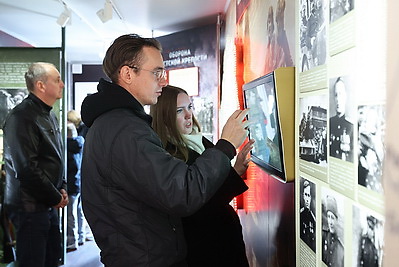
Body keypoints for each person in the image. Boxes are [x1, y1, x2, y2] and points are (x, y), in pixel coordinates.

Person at [80, 34, 249, 267]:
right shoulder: (125, 129)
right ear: (128, 74)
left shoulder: (118, 123)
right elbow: (181, 192)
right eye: (157, 72)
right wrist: (226, 145)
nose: (162, 81)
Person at [150, 85, 253, 266]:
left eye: (190, 107)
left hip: (223, 240)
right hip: (205, 247)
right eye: (179, 111)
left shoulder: (199, 140)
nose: (189, 115)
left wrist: (235, 170)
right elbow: (197, 202)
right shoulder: (167, 154)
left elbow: (211, 190)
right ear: (164, 116)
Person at [2, 62, 68, 267]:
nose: (63, 84)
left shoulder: (50, 114)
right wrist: (56, 195)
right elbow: (26, 168)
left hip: (47, 203)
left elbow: (56, 156)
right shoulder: (21, 117)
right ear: (40, 85)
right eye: (57, 80)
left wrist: (62, 187)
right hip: (29, 207)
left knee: (51, 258)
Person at [65, 123, 85, 252]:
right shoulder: (80, 144)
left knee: (70, 215)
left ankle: (72, 241)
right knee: (79, 212)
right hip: (79, 183)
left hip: (71, 184)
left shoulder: (67, 149)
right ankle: (81, 236)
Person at [329, 77, 354, 162]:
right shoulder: (329, 123)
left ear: (346, 96)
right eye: (336, 95)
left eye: (341, 94)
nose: (338, 99)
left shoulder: (351, 126)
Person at [322, 195, 344, 267]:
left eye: (332, 218)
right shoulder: (323, 237)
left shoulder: (340, 248)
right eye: (328, 217)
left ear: (336, 220)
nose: (330, 222)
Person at [300, 180, 316, 251]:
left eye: (308, 195)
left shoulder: (313, 219)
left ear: (311, 198)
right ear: (303, 196)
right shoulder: (300, 215)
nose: (307, 199)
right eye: (305, 195)